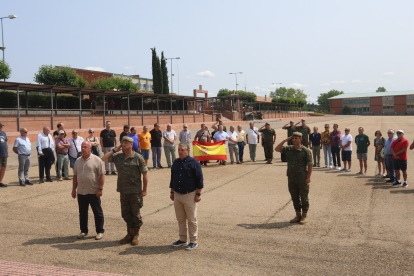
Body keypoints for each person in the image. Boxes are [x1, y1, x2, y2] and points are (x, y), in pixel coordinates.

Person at [102, 136, 148, 245]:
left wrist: (144, 190)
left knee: (135, 214)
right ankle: (129, 234)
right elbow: (103, 159)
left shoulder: (138, 157)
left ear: (131, 145)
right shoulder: (118, 157)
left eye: (126, 142)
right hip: (123, 191)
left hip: (135, 191)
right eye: (122, 142)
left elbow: (145, 174)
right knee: (126, 213)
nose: (123, 144)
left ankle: (136, 234)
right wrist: (114, 150)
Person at [170, 142, 203, 251]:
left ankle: (193, 241)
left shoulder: (194, 163)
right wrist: (172, 192)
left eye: (182, 150)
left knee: (192, 219)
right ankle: (183, 239)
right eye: (179, 150)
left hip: (190, 195)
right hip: (178, 195)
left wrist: (198, 194)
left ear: (188, 151)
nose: (180, 152)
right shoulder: (175, 162)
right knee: (180, 219)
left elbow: (199, 179)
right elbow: (173, 178)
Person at [276, 132, 313, 224]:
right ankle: (298, 215)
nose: (294, 140)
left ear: (300, 139)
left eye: (296, 138)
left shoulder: (306, 151)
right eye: (293, 138)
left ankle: (304, 215)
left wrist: (308, 177)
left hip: (302, 178)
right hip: (291, 178)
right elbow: (277, 149)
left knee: (304, 197)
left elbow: (310, 165)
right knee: (294, 197)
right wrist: (285, 140)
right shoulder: (289, 149)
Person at [72, 141, 105, 240]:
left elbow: (102, 175)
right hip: (81, 192)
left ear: (90, 148)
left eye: (85, 147)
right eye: (82, 147)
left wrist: (100, 188)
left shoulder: (97, 160)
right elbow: (75, 176)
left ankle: (99, 231)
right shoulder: (78, 161)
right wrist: (74, 189)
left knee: (97, 212)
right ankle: (83, 231)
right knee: (82, 212)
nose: (83, 149)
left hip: (93, 191)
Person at [0, 122, 8, 188]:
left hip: (4, 154)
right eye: (0, 126)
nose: (1, 127)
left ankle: (0, 182)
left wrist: (7, 152)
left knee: (3, 168)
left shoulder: (3, 133)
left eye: (1, 126)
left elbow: (6, 142)